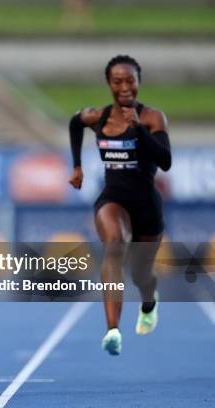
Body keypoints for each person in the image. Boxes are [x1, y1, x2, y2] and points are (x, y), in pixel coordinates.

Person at [68, 55, 171, 356]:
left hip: (146, 205)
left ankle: (149, 301)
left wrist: (139, 130)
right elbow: (75, 122)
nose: (125, 87)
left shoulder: (152, 117)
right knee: (113, 245)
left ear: (139, 82)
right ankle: (112, 330)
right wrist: (77, 167)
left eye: (130, 81)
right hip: (112, 197)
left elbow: (165, 161)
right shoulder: (98, 116)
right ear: (109, 84)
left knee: (141, 274)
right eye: (118, 81)